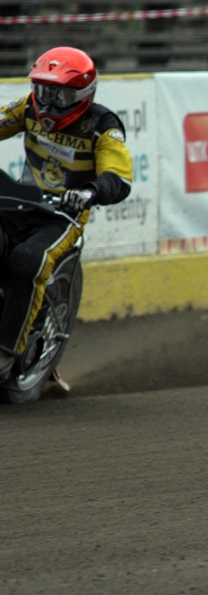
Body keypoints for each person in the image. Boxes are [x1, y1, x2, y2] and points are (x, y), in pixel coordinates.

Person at [0, 47, 132, 376]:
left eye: (59, 96)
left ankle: (5, 352)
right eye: (44, 91)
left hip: (61, 218)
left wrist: (90, 192)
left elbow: (119, 177)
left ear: (84, 95)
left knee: (29, 260)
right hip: (19, 203)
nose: (48, 103)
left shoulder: (103, 125)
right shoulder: (28, 109)